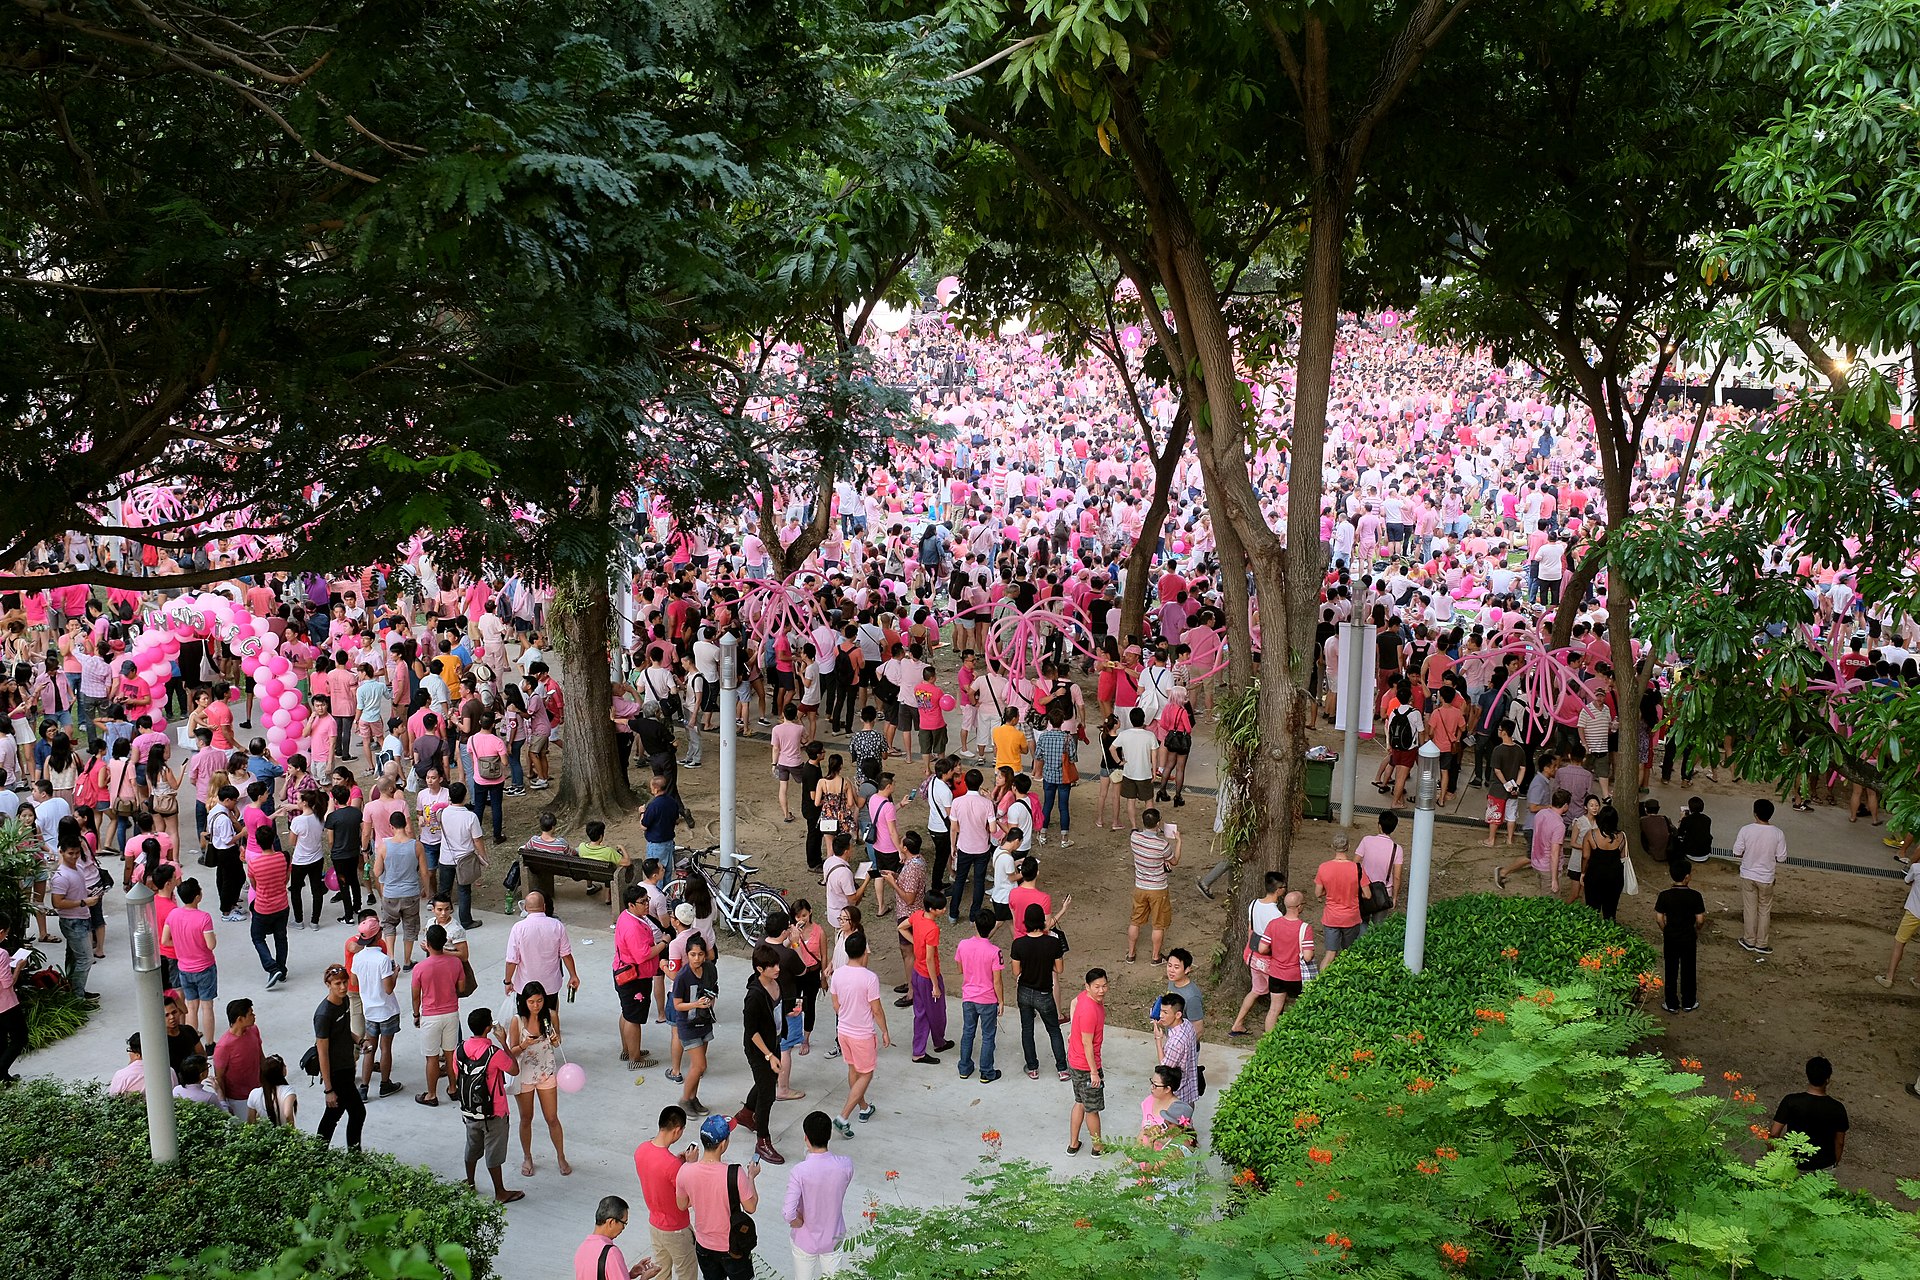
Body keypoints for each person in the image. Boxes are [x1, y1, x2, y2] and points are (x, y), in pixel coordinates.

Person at [675, 1113, 759, 1280]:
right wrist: (751, 1177)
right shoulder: (735, 1173)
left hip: (704, 1246)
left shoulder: (685, 1171)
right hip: (732, 1246)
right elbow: (751, 1207)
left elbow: (682, 1205)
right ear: (723, 1144)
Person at [457, 1006, 526, 1203]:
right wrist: (503, 1042)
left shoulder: (460, 1049)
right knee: (494, 1152)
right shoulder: (493, 1053)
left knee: (472, 1147)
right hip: (494, 1112)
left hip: (470, 1110)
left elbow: (457, 1072)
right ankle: (500, 1192)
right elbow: (513, 1070)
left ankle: (470, 1183)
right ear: (488, 1027)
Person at [827, 928, 890, 1137]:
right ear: (864, 952)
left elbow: (836, 1005)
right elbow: (876, 1009)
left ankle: (864, 1107)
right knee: (867, 1073)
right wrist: (884, 1031)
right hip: (862, 1034)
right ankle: (843, 1116)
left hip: (843, 1031)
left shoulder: (838, 974)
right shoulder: (869, 978)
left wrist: (847, 1015)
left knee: (854, 1070)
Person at [508, 980, 572, 1177]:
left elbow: (557, 1041)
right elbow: (511, 1052)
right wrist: (524, 1045)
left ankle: (561, 1156)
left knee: (552, 1118)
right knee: (526, 1118)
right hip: (525, 1075)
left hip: (546, 1072)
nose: (536, 1006)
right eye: (531, 1002)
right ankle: (527, 1157)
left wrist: (555, 1039)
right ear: (524, 1002)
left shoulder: (551, 1016)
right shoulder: (517, 1021)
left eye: (539, 1001)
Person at [784, 1110, 856, 1280]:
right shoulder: (846, 1165)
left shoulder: (799, 1171)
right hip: (834, 1236)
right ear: (829, 1135)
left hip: (805, 1239)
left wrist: (798, 1222)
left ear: (806, 1138)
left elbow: (788, 1213)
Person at [633, 1106, 700, 1280]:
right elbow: (688, 1200)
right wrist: (690, 1166)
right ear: (677, 1130)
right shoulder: (672, 1166)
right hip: (677, 1229)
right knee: (687, 1272)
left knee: (661, 1272)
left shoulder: (641, 1150)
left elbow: (658, 1176)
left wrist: (678, 1163)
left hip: (655, 1225)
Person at [1009, 902, 1069, 1080]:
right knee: (1054, 1030)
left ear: (1025, 921)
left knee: (1027, 1030)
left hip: (1024, 992)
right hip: (1044, 993)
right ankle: (1062, 1069)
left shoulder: (1018, 944)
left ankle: (1032, 1068)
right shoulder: (1053, 943)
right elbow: (1059, 969)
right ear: (1043, 921)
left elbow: (1016, 972)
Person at [740, 943, 788, 1164]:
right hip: (759, 1050)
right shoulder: (754, 997)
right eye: (772, 966)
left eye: (777, 964)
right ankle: (762, 1141)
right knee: (768, 1093)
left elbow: (775, 1010)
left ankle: (746, 1113)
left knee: (766, 1081)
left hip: (773, 1042)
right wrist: (769, 1055)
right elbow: (752, 1032)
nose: (777, 968)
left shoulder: (776, 983)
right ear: (760, 969)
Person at [411, 923, 465, 1106]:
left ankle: (432, 1094)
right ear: (444, 942)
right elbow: (461, 988)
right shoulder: (455, 962)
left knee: (431, 1057)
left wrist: (416, 1014)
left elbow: (415, 996)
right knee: (450, 1055)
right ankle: (453, 1088)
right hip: (451, 1013)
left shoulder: (420, 968)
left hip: (430, 1015)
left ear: (427, 944)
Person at [313, 964, 366, 1150]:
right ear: (328, 985)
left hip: (348, 1065)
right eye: (337, 983)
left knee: (335, 1115)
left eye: (345, 982)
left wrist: (359, 1040)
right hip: (336, 1072)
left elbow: (344, 1031)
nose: (343, 987)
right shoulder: (323, 1014)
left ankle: (318, 1153)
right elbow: (322, 1051)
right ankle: (353, 1155)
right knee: (356, 1112)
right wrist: (328, 1089)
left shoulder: (344, 1001)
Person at [898, 889, 952, 1065]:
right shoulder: (933, 929)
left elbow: (901, 927)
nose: (944, 909)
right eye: (941, 908)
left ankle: (919, 1050)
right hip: (928, 977)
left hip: (917, 973)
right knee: (937, 1012)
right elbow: (930, 959)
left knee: (920, 1013)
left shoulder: (917, 915)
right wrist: (935, 985)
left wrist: (916, 942)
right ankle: (938, 1042)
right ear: (932, 909)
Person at [1228, 872, 1285, 1036]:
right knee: (1277, 999)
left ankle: (1237, 1023)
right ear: (1279, 890)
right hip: (1268, 959)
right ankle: (1273, 1032)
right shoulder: (1276, 915)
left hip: (1253, 956)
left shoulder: (1253, 904)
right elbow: (1277, 942)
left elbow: (1250, 929)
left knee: (1256, 990)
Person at [615, 882, 666, 1068]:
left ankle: (628, 1050)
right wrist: (664, 943)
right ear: (631, 905)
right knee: (633, 1018)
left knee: (627, 1013)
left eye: (647, 900)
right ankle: (635, 1059)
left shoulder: (627, 916)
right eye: (643, 902)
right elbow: (643, 955)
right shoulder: (633, 927)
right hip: (635, 978)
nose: (647, 905)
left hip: (625, 972)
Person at [1768, 1057, 1849, 1172]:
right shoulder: (1837, 1108)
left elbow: (1774, 1133)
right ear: (1827, 1079)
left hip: (1792, 1163)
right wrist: (1834, 1163)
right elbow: (1840, 1142)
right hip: (1823, 1166)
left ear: (1807, 1075)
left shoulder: (1791, 1101)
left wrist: (1771, 1157)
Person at [163, 877, 218, 1041]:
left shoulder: (173, 914)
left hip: (184, 968)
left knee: (191, 1006)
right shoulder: (204, 918)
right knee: (207, 1007)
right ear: (197, 896)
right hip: (205, 968)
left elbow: (165, 940)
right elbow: (211, 945)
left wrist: (181, 944)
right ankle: (209, 1043)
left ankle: (192, 1042)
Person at [670, 933, 719, 1116]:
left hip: (704, 1022)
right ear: (687, 954)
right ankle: (684, 1100)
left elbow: (714, 989)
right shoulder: (682, 976)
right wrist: (696, 1004)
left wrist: (710, 1001)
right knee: (700, 1066)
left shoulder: (709, 970)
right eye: (692, 954)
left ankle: (693, 1098)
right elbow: (677, 1005)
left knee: (697, 1067)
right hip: (688, 1026)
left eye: (700, 954)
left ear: (705, 955)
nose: (697, 958)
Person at [954, 910, 1005, 1083]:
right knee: (988, 1036)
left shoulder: (963, 945)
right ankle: (986, 1071)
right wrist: (1001, 1001)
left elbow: (960, 969)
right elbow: (997, 981)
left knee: (968, 1032)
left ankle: (964, 1068)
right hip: (987, 999)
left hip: (968, 997)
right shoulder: (995, 951)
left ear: (975, 924)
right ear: (991, 927)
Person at [1126, 808, 1180, 964]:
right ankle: (1155, 957)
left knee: (1135, 921)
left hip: (1140, 886)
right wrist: (1179, 841)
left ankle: (1131, 954)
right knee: (1158, 924)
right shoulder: (1162, 845)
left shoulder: (1134, 838)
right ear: (1158, 823)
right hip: (1158, 888)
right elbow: (1174, 861)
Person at [1735, 798, 1787, 956]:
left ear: (1755, 813)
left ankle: (1749, 940)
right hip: (1766, 877)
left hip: (1748, 874)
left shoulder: (1746, 830)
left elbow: (1737, 852)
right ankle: (1762, 943)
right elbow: (1782, 857)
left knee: (1750, 908)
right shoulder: (1778, 833)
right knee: (1764, 909)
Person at [504, 890, 580, 998]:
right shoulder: (557, 926)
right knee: (552, 1008)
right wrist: (573, 975)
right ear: (544, 906)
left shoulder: (518, 928)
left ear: (525, 908)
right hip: (551, 985)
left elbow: (511, 961)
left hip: (525, 986)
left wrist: (508, 981)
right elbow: (566, 955)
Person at [1066, 968, 1109, 1156]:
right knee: (1092, 1110)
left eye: (1104, 986)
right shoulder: (1090, 1010)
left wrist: (1072, 1029)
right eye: (1097, 987)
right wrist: (1094, 1072)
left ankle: (1073, 1144)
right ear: (1087, 986)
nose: (1101, 990)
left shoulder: (1084, 997)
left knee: (1079, 1102)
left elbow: (1073, 1002)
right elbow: (1087, 1043)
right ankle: (1097, 1148)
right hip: (1085, 1067)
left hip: (1074, 1060)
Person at [1259, 891, 1314, 1033]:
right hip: (1295, 976)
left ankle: (1268, 1041)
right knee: (1298, 1008)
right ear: (1299, 906)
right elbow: (1308, 956)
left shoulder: (1273, 924)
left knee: (1274, 1010)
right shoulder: (1305, 928)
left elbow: (1262, 948)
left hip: (1276, 973)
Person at [1654, 864, 1705, 1014]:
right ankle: (1689, 1001)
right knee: (1689, 968)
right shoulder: (1695, 896)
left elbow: (1659, 918)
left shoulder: (1664, 895)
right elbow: (1700, 919)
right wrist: (1696, 930)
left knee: (1670, 968)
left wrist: (1666, 930)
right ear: (1687, 877)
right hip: (1688, 936)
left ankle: (1671, 1002)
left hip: (1671, 936)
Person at [575, 1195, 660, 1280]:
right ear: (611, 1222)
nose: (623, 1228)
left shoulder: (582, 1248)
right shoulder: (611, 1253)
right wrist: (644, 1278)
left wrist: (629, 1275)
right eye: (624, 1223)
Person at [1312, 832, 1365, 966]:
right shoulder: (1357, 868)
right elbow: (1368, 894)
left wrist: (1327, 891)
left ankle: (1321, 978)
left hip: (1331, 917)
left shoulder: (1323, 867)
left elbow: (1318, 893)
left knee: (1330, 954)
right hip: (1351, 917)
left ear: (1332, 846)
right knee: (1349, 953)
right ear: (1348, 847)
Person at [211, 997, 263, 1120]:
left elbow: (261, 1056)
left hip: (258, 1091)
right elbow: (219, 1077)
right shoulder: (223, 1046)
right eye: (250, 1014)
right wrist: (224, 1103)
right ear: (240, 1019)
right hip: (238, 1100)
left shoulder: (254, 1030)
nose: (254, 1016)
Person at [1875, 858, 1920, 990]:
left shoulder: (1916, 868)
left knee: (1899, 942)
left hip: (1914, 911)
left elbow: (1907, 881)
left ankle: (1888, 978)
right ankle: (1918, 980)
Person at [1153, 990, 1200, 1107]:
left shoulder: (1176, 1043)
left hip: (1177, 1094)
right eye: (1161, 1011)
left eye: (1165, 1012)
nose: (1161, 1015)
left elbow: (1165, 1067)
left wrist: (1158, 1039)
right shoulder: (1187, 1024)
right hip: (1188, 1086)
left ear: (1178, 1015)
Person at [1140, 1064, 1196, 1150]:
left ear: (1167, 1089)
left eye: (1155, 1085)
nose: (1151, 1087)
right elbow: (1142, 1132)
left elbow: (1183, 1141)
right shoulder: (1148, 1101)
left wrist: (1155, 1138)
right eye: (1151, 1082)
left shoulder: (1177, 1110)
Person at [245, 1054, 297, 1127]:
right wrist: (291, 1130)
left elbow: (250, 1121)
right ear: (281, 1071)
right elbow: (287, 1114)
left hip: (265, 1133)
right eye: (284, 1065)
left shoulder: (254, 1093)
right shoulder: (288, 1091)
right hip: (282, 1132)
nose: (286, 1066)